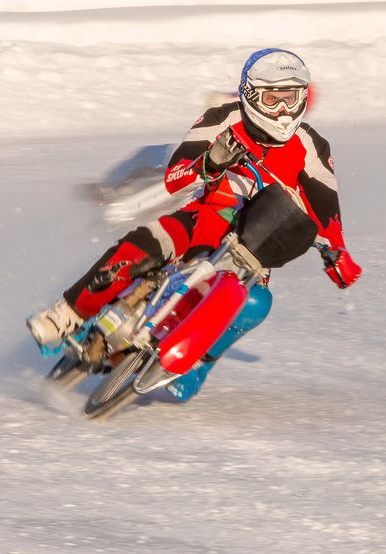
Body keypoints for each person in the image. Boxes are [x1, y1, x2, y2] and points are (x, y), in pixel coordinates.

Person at [27, 48, 362, 400]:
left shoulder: (312, 145)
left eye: (290, 99)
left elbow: (326, 211)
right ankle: (66, 315)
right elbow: (175, 176)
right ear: (250, 95)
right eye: (272, 99)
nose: (282, 110)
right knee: (142, 245)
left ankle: (199, 362)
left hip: (254, 242)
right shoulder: (223, 117)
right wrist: (211, 162)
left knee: (256, 303)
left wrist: (337, 253)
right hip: (203, 217)